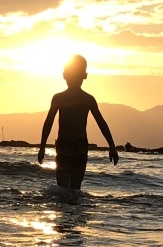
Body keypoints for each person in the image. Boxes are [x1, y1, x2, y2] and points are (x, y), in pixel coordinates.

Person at [37, 55, 120, 190]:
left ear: (64, 75)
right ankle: (75, 210)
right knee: (75, 190)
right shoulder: (87, 99)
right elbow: (101, 123)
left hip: (65, 146)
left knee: (63, 190)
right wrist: (112, 146)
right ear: (85, 75)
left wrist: (42, 147)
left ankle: (67, 210)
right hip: (80, 147)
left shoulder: (60, 98)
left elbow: (48, 123)